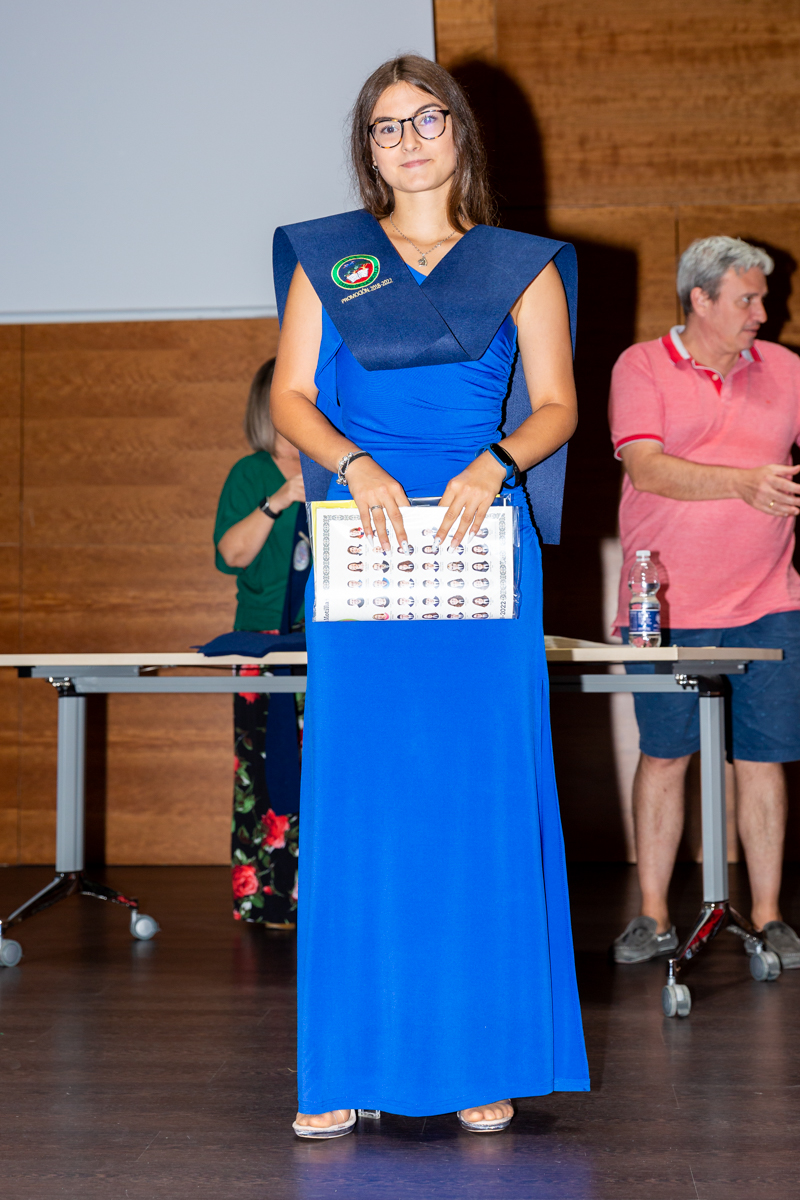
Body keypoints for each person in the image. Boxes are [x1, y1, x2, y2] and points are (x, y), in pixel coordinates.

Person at [270, 55, 589, 1138]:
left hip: (477, 539)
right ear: (367, 148)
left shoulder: (517, 266)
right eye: (384, 126)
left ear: (460, 133)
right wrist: (355, 467)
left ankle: (473, 1057)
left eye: (425, 120)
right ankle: (347, 1064)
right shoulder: (329, 262)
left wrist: (494, 464)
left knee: (474, 795)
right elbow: (292, 398)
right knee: (362, 797)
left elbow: (556, 405)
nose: (406, 140)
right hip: (364, 541)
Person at [608, 236, 800, 968]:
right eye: (747, 299)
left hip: (770, 600)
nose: (762, 313)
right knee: (664, 758)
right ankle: (653, 915)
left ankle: (770, 916)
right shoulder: (641, 365)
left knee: (763, 761)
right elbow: (647, 468)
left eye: (762, 299)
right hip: (663, 609)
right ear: (701, 298)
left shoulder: (787, 370)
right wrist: (743, 483)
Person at [214, 358, 307, 927]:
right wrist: (280, 499)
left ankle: (317, 898)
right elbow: (232, 555)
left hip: (325, 642)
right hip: (261, 645)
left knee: (321, 767)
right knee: (261, 769)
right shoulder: (249, 473)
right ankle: (264, 896)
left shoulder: (337, 466)